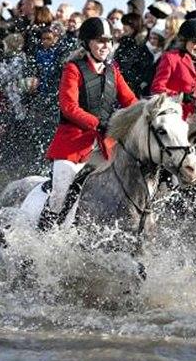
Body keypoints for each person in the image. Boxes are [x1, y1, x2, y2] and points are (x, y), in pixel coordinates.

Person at [42, 17, 137, 225]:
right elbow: (69, 107)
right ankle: (42, 238)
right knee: (60, 195)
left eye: (109, 41)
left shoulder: (113, 71)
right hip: (73, 145)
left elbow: (131, 101)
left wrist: (145, 114)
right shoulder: (73, 69)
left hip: (105, 147)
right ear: (87, 43)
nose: (106, 46)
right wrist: (98, 123)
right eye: (100, 41)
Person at [150, 18, 196, 120]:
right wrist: (180, 96)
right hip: (175, 117)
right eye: (195, 42)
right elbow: (157, 88)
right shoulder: (171, 58)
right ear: (184, 41)